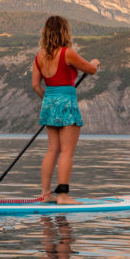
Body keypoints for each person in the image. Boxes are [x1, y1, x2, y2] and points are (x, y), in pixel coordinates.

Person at [31, 16, 100, 204]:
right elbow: (90, 70)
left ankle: (46, 194)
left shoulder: (40, 56)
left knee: (52, 150)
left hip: (49, 103)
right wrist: (94, 62)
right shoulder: (67, 53)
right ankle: (63, 195)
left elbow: (36, 86)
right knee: (67, 151)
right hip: (67, 103)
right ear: (64, 32)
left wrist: (49, 100)